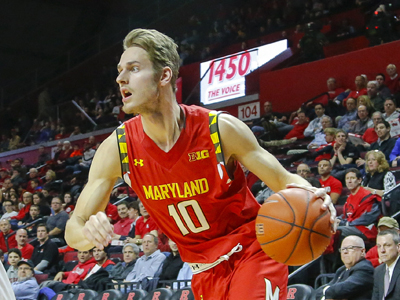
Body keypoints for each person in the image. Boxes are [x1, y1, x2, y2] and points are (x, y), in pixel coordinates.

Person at [65, 28, 334, 300]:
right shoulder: (118, 148)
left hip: (252, 253)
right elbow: (73, 228)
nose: (120, 78)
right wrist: (89, 234)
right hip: (202, 271)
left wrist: (315, 197)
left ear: (164, 75)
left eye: (133, 69)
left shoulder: (219, 129)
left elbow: (284, 179)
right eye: (121, 70)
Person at [315, 235, 374, 300]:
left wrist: (327, 291)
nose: (345, 252)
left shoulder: (365, 268)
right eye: (342, 249)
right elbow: (318, 292)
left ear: (362, 251)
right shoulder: (342, 269)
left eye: (350, 248)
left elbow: (342, 289)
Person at [336, 168, 380, 242]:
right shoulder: (349, 197)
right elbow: (346, 215)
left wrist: (346, 223)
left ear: (359, 180)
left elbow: (368, 218)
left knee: (336, 231)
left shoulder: (368, 196)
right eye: (347, 178)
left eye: (352, 178)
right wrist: (337, 219)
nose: (349, 181)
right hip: (351, 226)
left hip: (364, 229)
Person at [372, 229, 400, 300]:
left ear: (398, 247)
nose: (382, 250)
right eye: (379, 246)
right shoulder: (378, 271)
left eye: (387, 245)